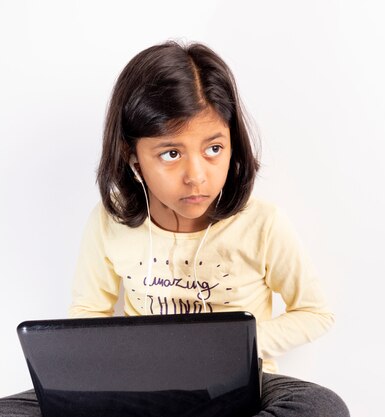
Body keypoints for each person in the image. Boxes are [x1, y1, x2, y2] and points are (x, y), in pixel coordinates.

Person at [0, 41, 349, 417]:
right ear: (133, 156)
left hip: (238, 386)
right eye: (171, 153)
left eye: (213, 149)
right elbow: (89, 308)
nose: (196, 176)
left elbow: (316, 313)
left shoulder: (262, 223)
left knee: (321, 407)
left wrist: (238, 346)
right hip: (137, 383)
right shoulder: (109, 220)